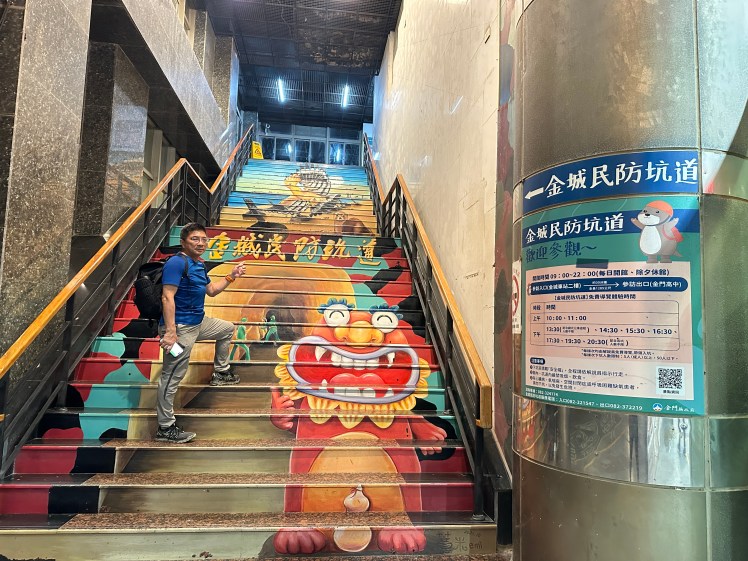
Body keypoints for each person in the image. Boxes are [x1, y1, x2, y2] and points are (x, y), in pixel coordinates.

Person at [155, 223, 246, 443]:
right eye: (195, 239)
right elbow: (167, 297)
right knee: (172, 375)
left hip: (198, 323)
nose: (201, 243)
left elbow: (211, 291)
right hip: (180, 329)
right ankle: (165, 427)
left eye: (204, 239)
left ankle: (220, 372)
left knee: (226, 329)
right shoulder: (177, 263)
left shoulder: (198, 265)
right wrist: (170, 332)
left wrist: (231, 276)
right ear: (183, 242)